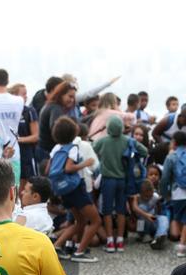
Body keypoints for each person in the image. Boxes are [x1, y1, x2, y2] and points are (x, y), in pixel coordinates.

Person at [49, 117, 101, 262]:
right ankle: (80, 252)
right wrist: (85, 164)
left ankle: (57, 246)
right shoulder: (72, 148)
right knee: (96, 220)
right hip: (76, 188)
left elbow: (49, 169)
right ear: (73, 133)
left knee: (80, 221)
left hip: (64, 191)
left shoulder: (56, 148)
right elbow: (68, 167)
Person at [93, 116, 147, 253]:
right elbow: (144, 151)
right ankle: (120, 241)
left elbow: (94, 148)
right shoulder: (128, 140)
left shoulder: (103, 141)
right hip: (123, 180)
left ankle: (110, 241)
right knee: (121, 210)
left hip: (107, 180)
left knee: (107, 210)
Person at [8, 83, 39, 193]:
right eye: (24, 94)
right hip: (10, 154)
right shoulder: (8, 112)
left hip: (26, 154)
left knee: (26, 188)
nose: (26, 96)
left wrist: (18, 140)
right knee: (12, 185)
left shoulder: (29, 111)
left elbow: (36, 136)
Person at [160, 131, 186, 257]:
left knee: (180, 219)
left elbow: (164, 178)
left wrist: (165, 194)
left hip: (178, 193)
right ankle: (183, 243)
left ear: (174, 142)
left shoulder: (171, 157)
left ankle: (181, 247)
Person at [131, 179, 169, 249]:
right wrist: (146, 215)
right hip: (141, 225)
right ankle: (144, 234)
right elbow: (134, 208)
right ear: (140, 193)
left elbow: (159, 208)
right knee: (142, 207)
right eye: (146, 196)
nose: (148, 198)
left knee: (163, 218)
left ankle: (159, 237)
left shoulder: (155, 196)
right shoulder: (137, 197)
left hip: (152, 220)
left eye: (150, 196)